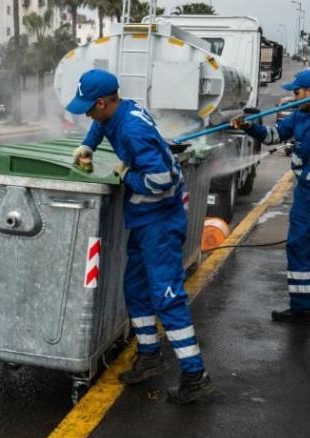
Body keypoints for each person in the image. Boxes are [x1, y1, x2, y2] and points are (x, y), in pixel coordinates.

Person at [67, 69, 214, 404]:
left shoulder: (132, 130)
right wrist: (86, 145)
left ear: (103, 102)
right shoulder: (121, 110)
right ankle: (149, 355)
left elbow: (162, 180)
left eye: (89, 107)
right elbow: (101, 125)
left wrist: (126, 175)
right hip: (145, 218)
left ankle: (195, 374)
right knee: (134, 287)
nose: (88, 113)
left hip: (160, 222)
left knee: (167, 297)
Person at [231, 69, 310, 331]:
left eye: (297, 92)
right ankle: (301, 308)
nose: (293, 97)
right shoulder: (299, 115)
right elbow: (274, 135)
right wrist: (249, 126)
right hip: (304, 192)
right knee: (298, 247)